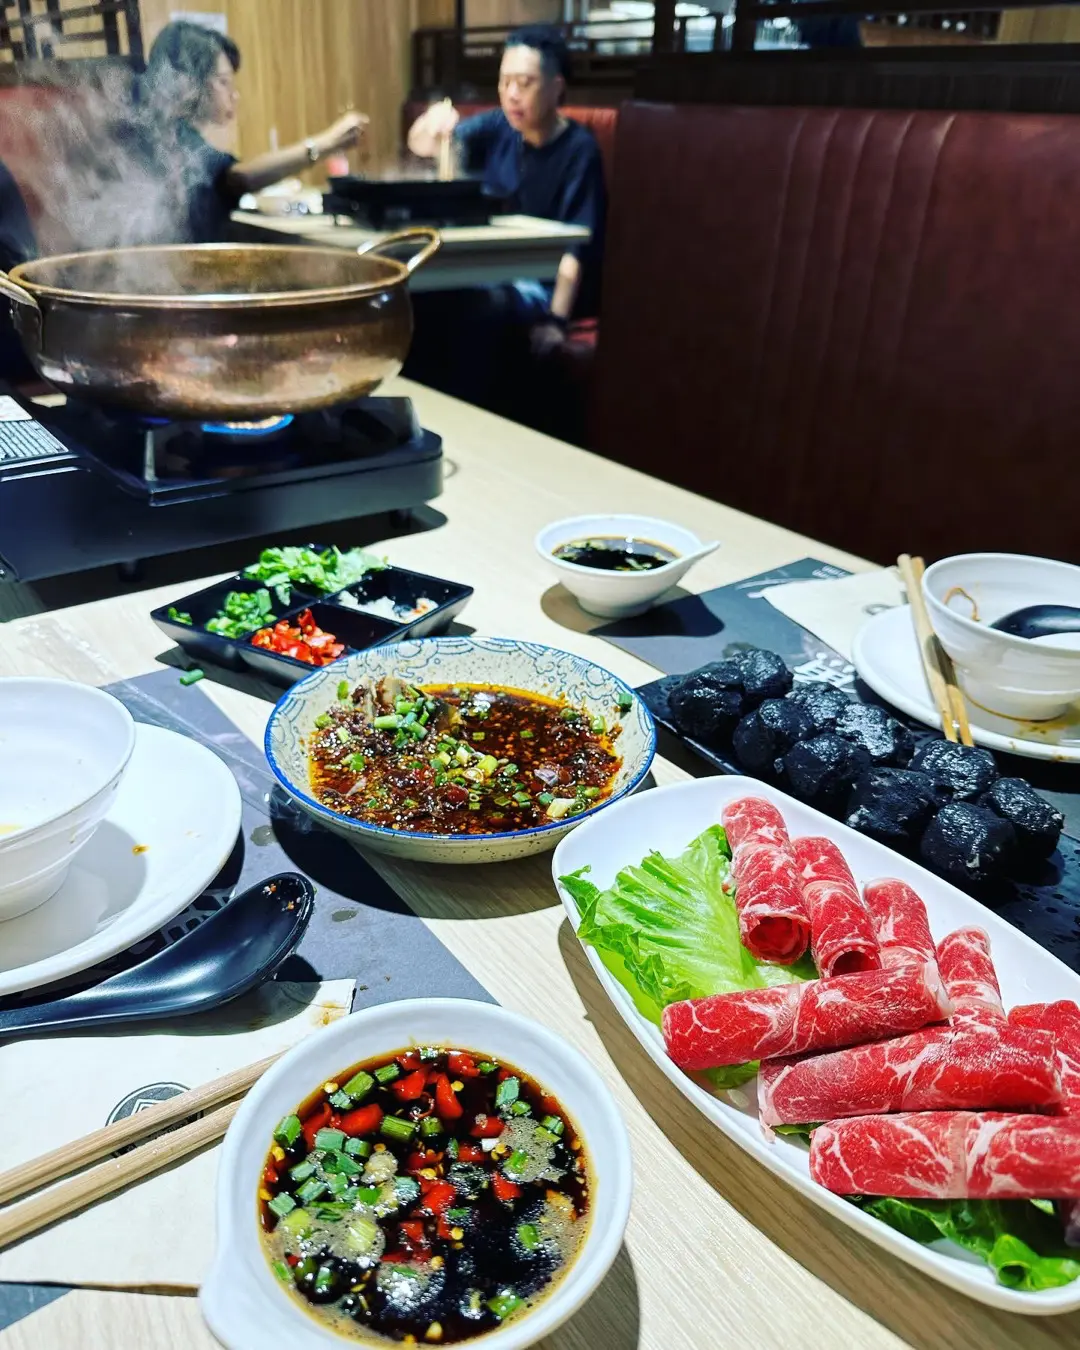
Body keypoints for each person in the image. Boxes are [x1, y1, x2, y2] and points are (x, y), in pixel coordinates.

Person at [404, 25, 606, 409]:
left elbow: (576, 249)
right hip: (491, 271)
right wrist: (433, 122)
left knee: (479, 307)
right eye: (505, 82)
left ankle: (468, 420)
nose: (513, 94)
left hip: (541, 285)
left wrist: (556, 322)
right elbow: (422, 144)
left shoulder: (579, 150)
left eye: (525, 83)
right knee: (418, 298)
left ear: (556, 87)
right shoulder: (499, 127)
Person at [140, 21, 367, 243]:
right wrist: (328, 142)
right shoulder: (164, 132)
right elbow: (238, 178)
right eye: (224, 82)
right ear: (190, 81)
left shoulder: (166, 128)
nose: (234, 95)